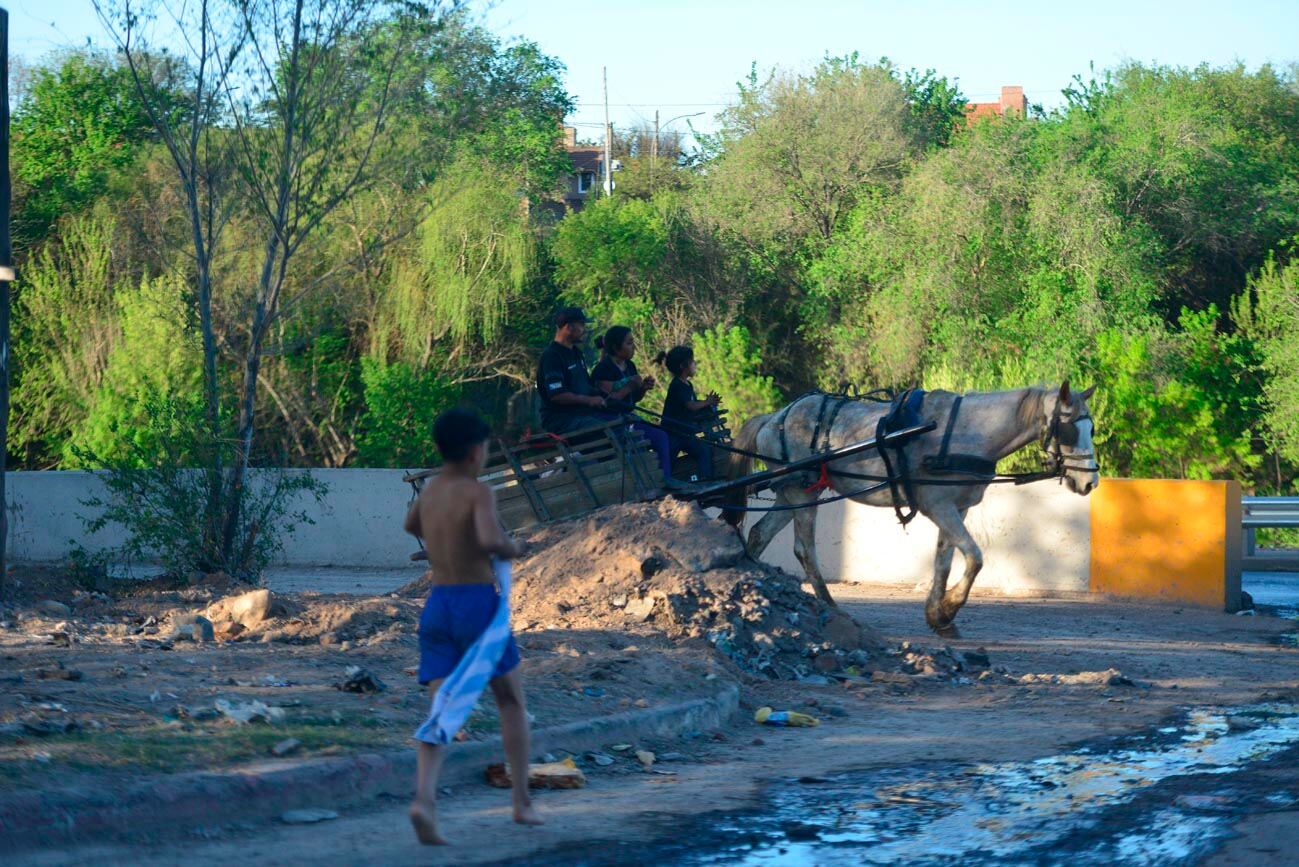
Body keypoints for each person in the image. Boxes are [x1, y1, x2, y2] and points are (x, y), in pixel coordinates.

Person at [402, 408, 542, 845]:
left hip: (437, 604)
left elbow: (411, 526)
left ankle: (424, 800)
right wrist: (512, 546)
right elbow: (488, 539)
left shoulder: (429, 494)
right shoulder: (477, 492)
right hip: (476, 605)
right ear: (474, 451)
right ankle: (521, 803)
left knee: (442, 710)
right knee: (511, 703)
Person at [591, 325, 673, 480]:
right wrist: (630, 386)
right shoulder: (603, 369)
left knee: (662, 435)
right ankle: (655, 481)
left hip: (628, 417)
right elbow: (607, 402)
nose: (633, 346)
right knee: (647, 439)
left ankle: (666, 479)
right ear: (616, 347)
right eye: (629, 343)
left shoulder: (630, 365)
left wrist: (642, 389)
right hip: (612, 421)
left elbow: (633, 399)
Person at [535, 306, 608, 435]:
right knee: (605, 429)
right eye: (582, 325)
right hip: (560, 420)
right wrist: (589, 400)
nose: (584, 330)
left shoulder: (577, 353)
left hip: (583, 415)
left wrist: (605, 396)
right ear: (568, 327)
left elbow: (586, 385)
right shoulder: (552, 356)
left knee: (621, 421)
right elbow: (557, 395)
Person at [656, 345, 721, 481]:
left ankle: (705, 479)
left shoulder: (688, 385)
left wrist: (709, 404)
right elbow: (690, 405)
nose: (694, 364)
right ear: (683, 366)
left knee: (703, 449)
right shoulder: (677, 385)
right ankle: (662, 483)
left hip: (685, 434)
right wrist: (707, 402)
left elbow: (695, 405)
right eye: (692, 361)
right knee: (667, 461)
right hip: (672, 434)